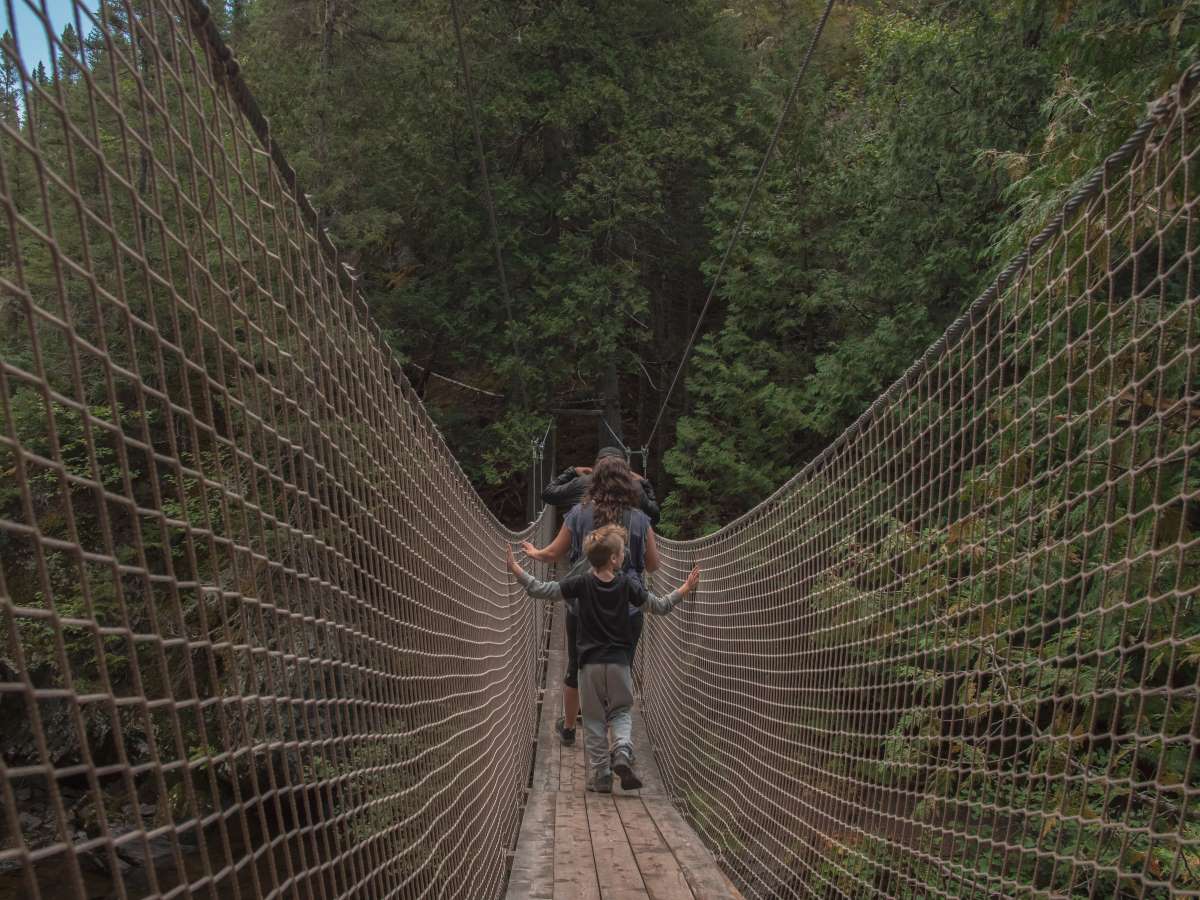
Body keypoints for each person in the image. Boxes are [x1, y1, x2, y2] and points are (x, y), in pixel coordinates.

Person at [507, 525, 700, 792]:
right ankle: (621, 749)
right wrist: (685, 589)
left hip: (589, 666)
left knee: (595, 719)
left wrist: (517, 570)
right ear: (613, 558)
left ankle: (602, 776)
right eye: (622, 552)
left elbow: (545, 590)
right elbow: (659, 606)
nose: (624, 556)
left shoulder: (581, 583)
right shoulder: (627, 585)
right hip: (619, 662)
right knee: (621, 711)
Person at [522, 456, 659, 747]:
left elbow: (551, 554)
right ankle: (618, 739)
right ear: (628, 483)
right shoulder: (640, 519)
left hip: (583, 605)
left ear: (593, 481)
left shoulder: (578, 512)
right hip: (628, 608)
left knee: (576, 664)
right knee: (621, 668)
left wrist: (534, 553)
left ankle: (570, 728)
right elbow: (654, 564)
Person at [542, 446, 661, 526]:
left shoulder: (582, 483)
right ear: (624, 467)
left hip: (586, 556)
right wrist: (644, 483)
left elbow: (548, 494)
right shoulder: (635, 487)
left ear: (597, 465)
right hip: (624, 556)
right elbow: (654, 518)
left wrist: (572, 471)